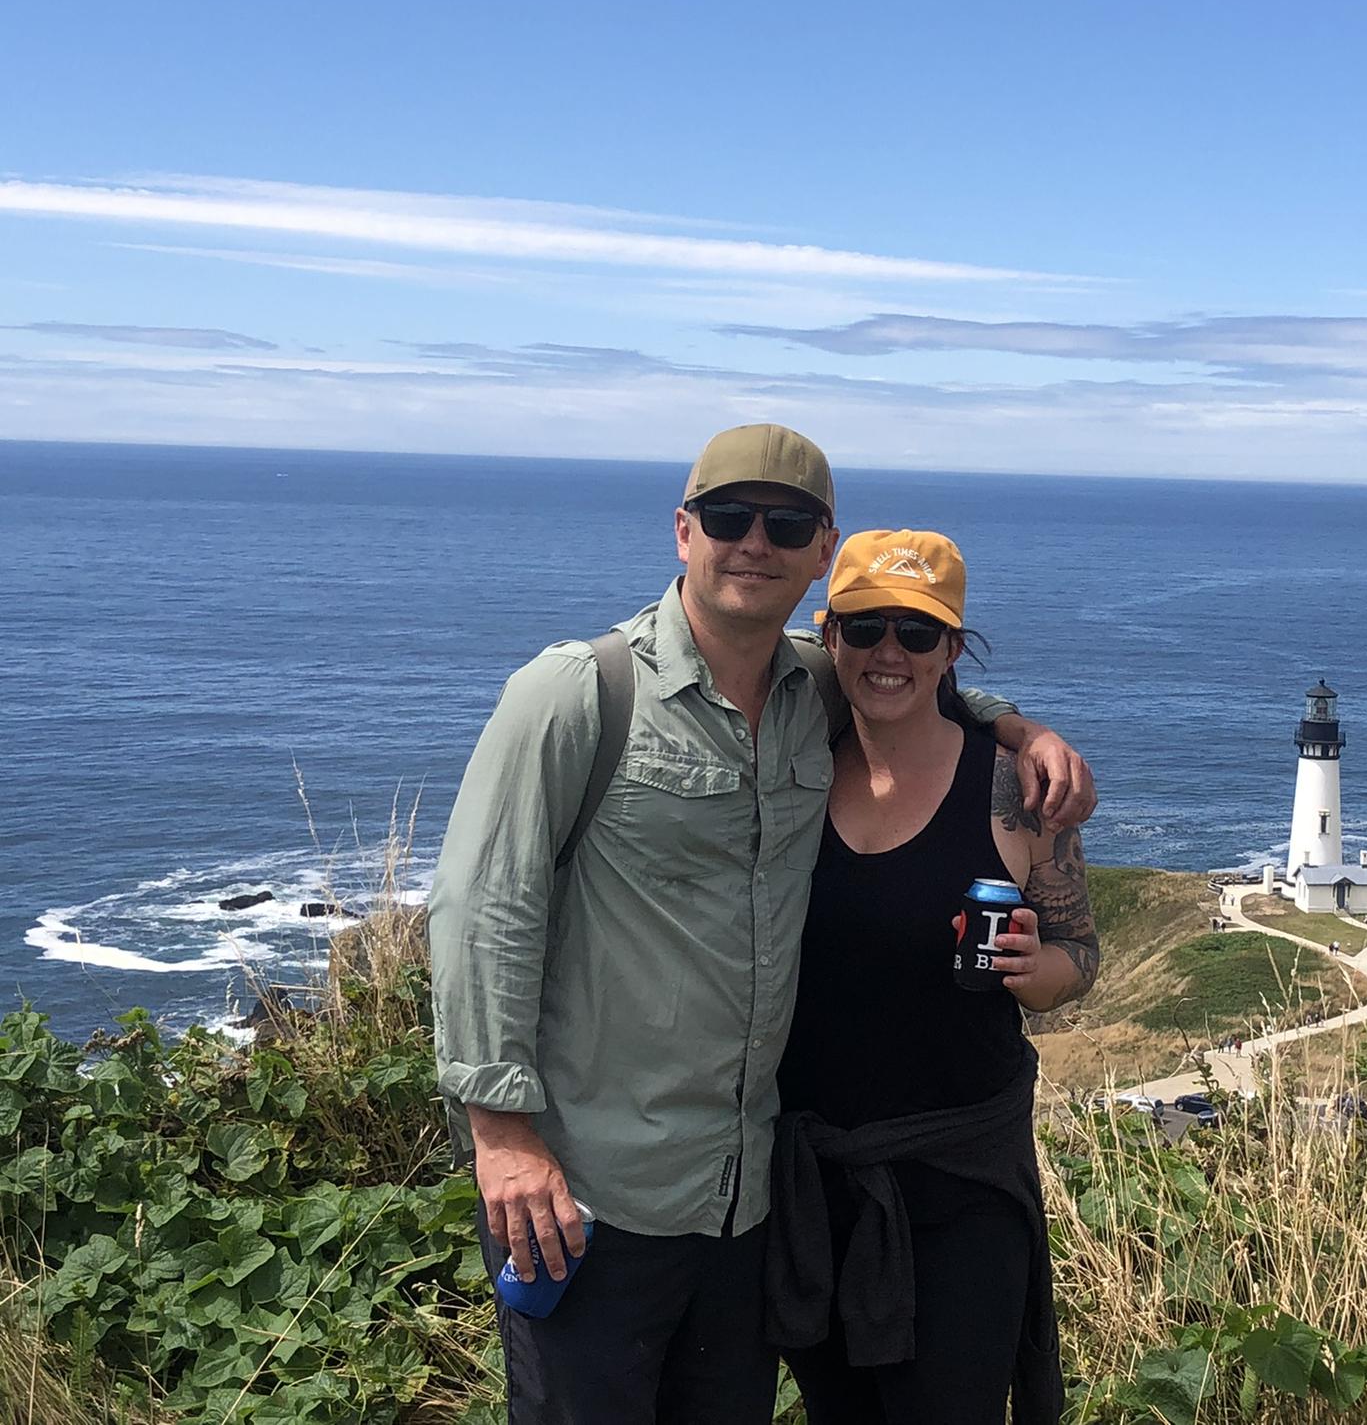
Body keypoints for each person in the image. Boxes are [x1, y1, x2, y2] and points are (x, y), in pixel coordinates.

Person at [426, 425, 1095, 1425]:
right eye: (729, 518)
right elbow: (484, 910)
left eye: (785, 525)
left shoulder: (806, 690)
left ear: (818, 551)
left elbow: (917, 684)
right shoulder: (576, 693)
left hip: (750, 1201)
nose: (754, 542)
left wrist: (1022, 729)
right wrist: (502, 1136)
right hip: (596, 1189)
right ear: (682, 530)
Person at [767, 529, 1098, 1425]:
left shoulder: (1017, 793)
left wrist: (1036, 973)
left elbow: (1082, 957)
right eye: (866, 626)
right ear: (826, 633)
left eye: (918, 634)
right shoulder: (789, 764)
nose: (889, 653)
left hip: (963, 1185)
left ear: (952, 649)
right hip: (812, 1182)